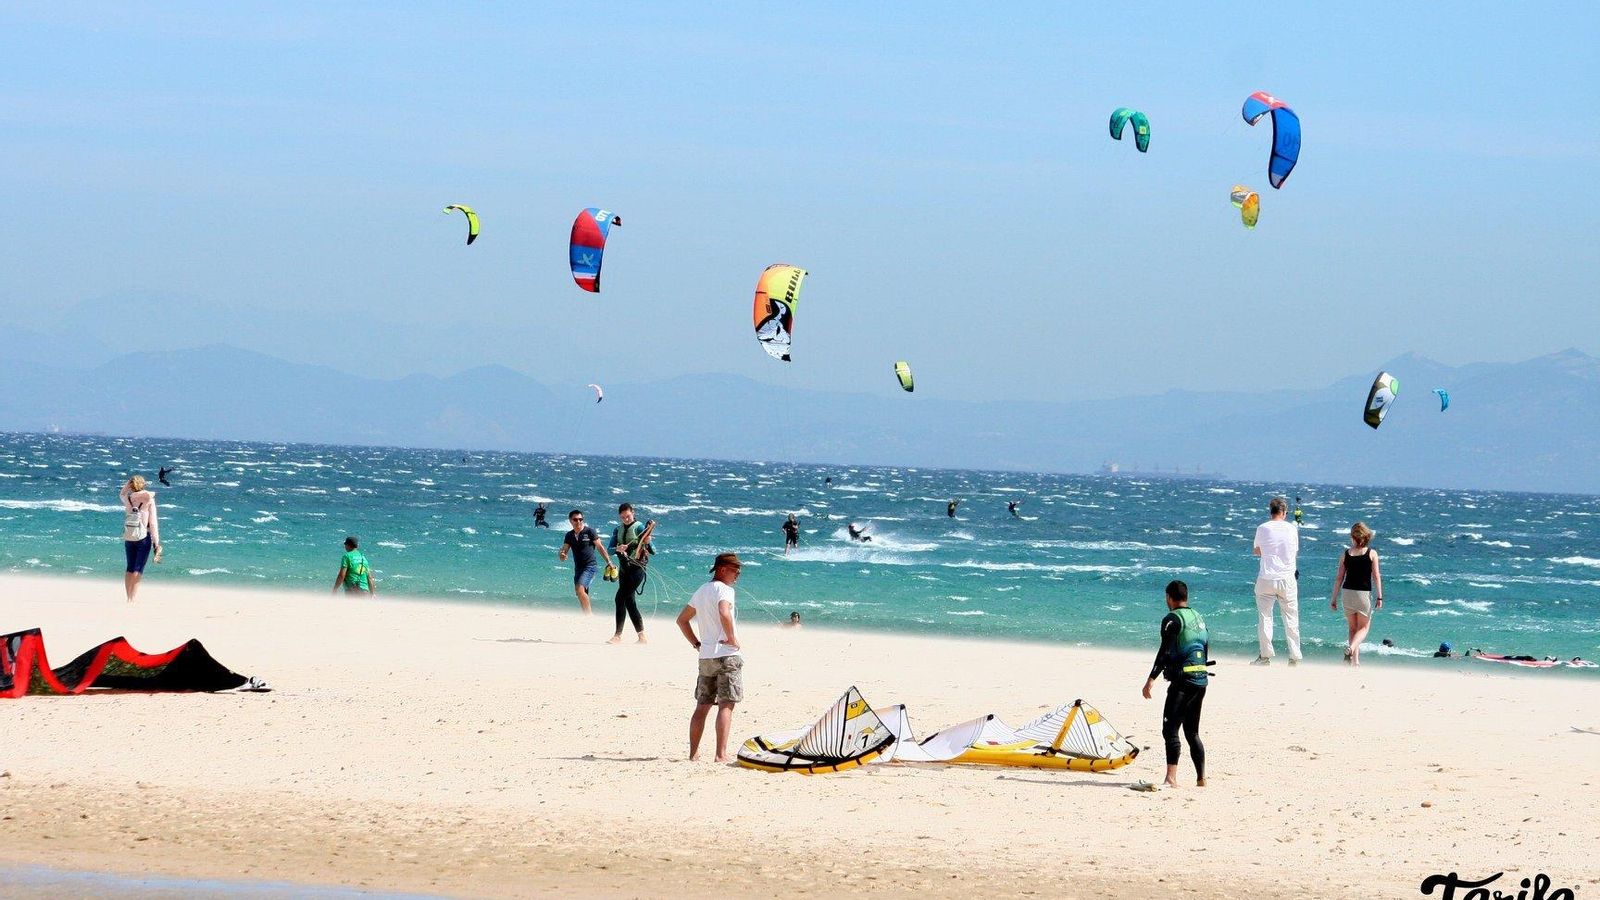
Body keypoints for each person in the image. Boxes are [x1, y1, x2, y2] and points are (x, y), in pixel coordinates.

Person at [676, 553, 744, 762]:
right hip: (726, 656)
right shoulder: (725, 590)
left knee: (702, 705)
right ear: (723, 569)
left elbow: (682, 620)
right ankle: (720, 755)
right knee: (726, 705)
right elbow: (724, 612)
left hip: (706, 657)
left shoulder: (701, 591)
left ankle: (693, 753)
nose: (737, 576)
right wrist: (732, 638)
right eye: (736, 571)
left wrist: (697, 644)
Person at [1142, 580, 1208, 789]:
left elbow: (1164, 651)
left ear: (1169, 597)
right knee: (1192, 732)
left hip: (1182, 682)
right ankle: (1201, 779)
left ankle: (1171, 778)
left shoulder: (1172, 619)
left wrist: (1151, 679)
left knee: (1170, 729)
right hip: (1201, 679)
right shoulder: (1198, 618)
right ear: (1186, 597)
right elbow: (1205, 649)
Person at [1251, 497, 1301, 665]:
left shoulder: (1262, 528)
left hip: (1266, 577)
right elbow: (1294, 551)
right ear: (1285, 513)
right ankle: (1294, 656)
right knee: (1291, 618)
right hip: (1287, 578)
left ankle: (1265, 656)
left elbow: (1256, 550)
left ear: (1270, 511)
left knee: (1265, 618)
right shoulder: (1292, 529)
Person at [1330, 521, 1384, 665]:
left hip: (1347, 593)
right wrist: (1380, 596)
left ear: (1353, 537)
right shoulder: (1372, 553)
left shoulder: (1345, 554)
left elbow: (1339, 578)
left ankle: (1355, 662)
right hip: (1363, 594)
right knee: (1364, 628)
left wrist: (1334, 598)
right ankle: (1352, 648)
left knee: (1352, 628)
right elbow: (1376, 576)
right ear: (1367, 537)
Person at [607, 503, 653, 644]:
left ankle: (617, 635)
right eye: (622, 517)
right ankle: (642, 636)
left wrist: (648, 542)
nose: (626, 519)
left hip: (637, 570)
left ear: (633, 513)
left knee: (619, 598)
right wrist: (617, 548)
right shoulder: (617, 530)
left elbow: (653, 551)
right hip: (623, 570)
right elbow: (609, 550)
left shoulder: (640, 528)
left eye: (628, 516)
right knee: (629, 601)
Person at [558, 509, 612, 614]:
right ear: (570, 521)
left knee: (580, 589)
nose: (578, 522)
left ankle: (589, 616)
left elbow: (600, 547)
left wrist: (609, 562)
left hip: (590, 567)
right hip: (578, 568)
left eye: (580, 519)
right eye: (575, 519)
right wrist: (562, 555)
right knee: (580, 593)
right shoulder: (569, 535)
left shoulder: (590, 532)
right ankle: (585, 616)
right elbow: (564, 551)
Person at [119, 476, 162, 601]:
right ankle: (133, 598)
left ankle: (128, 597)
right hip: (143, 537)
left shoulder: (128, 498)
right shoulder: (149, 500)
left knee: (130, 568)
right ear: (143, 485)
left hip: (130, 536)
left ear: (132, 485)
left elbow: (121, 493)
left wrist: (128, 484)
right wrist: (156, 542)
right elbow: (153, 523)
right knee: (138, 569)